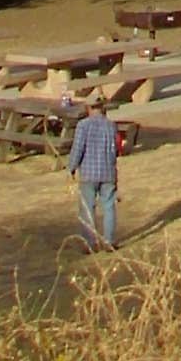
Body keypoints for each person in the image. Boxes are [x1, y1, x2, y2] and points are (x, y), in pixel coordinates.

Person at [66, 94, 120, 250]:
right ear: (102, 108)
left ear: (88, 108)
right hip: (108, 172)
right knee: (109, 206)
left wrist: (71, 167)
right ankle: (109, 241)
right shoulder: (110, 126)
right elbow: (113, 150)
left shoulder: (83, 126)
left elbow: (78, 149)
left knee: (87, 208)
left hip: (89, 173)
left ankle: (90, 243)